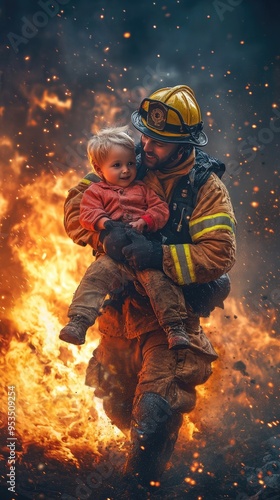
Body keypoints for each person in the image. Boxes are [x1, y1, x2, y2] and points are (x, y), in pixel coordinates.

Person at [62, 85, 236, 489]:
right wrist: (103, 235)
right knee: (118, 407)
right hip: (119, 316)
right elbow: (76, 204)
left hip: (168, 322)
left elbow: (219, 254)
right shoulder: (127, 161)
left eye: (160, 142)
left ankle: (140, 488)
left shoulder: (206, 189)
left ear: (183, 144)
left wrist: (160, 257)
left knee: (154, 413)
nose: (147, 146)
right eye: (146, 135)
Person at [59, 126, 193, 350]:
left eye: (130, 163)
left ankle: (175, 328)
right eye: (117, 165)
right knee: (95, 278)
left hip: (143, 249)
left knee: (161, 284)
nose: (126, 170)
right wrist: (107, 228)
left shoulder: (144, 189)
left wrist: (146, 222)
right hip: (113, 255)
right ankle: (78, 322)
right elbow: (87, 213)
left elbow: (160, 209)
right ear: (99, 169)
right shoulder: (95, 191)